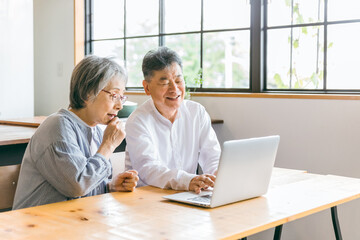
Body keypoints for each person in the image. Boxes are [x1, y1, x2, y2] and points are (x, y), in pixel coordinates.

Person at [13, 56, 139, 209]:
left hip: (75, 222)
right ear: (87, 94)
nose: (119, 105)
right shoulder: (57, 126)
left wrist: (110, 186)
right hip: (38, 227)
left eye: (122, 97)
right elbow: (77, 185)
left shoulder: (96, 130)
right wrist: (108, 145)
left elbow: (84, 186)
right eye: (114, 95)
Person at [125, 47, 221, 194]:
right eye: (164, 83)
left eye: (178, 80)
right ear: (147, 87)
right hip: (149, 199)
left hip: (187, 196)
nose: (174, 89)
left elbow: (213, 155)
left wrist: (217, 176)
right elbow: (148, 168)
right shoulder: (138, 121)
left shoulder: (197, 112)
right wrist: (187, 181)